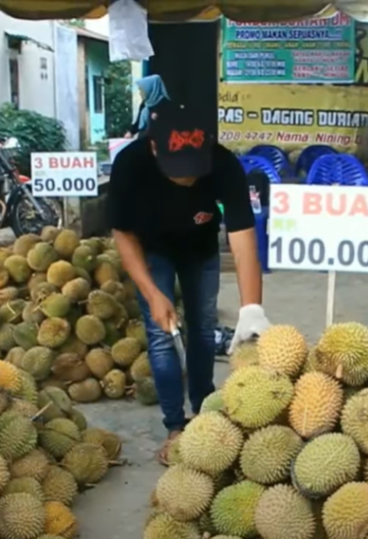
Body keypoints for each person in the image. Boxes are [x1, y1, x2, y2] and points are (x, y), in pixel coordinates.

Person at [107, 100, 270, 464]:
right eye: (178, 170)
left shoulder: (224, 163)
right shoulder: (131, 164)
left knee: (202, 330)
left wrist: (252, 308)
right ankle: (175, 426)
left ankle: (203, 412)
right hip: (152, 251)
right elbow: (123, 233)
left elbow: (243, 238)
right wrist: (152, 293)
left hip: (200, 250)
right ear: (154, 147)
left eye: (195, 169)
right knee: (162, 335)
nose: (189, 179)